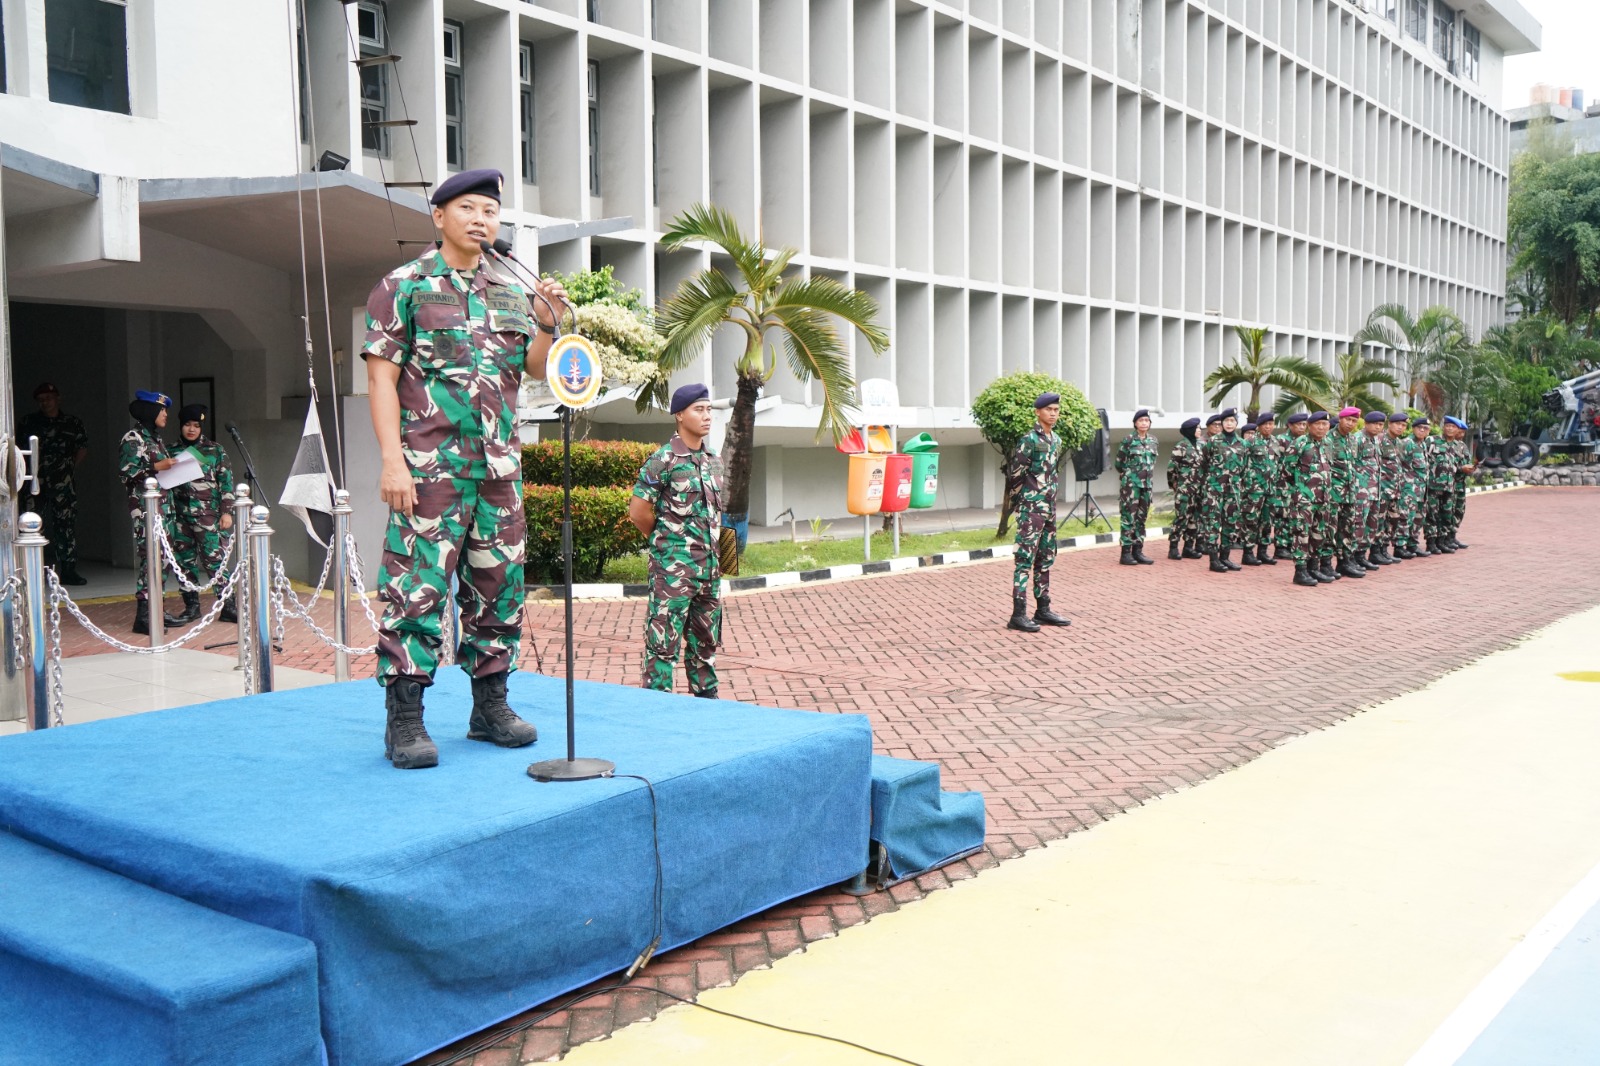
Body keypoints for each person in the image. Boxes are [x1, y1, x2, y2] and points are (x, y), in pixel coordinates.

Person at [362, 168, 567, 769]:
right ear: (440, 216)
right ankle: (405, 718)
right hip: (430, 472)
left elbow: (531, 368)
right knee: (416, 591)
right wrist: (392, 463)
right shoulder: (403, 285)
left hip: (499, 474)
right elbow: (381, 378)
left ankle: (490, 707)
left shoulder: (507, 291)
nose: (482, 220)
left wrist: (548, 320)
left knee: (498, 590)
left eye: (491, 212)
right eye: (469, 209)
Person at [629, 384, 725, 696]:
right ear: (679, 415)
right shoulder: (663, 460)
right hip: (673, 575)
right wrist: (666, 546)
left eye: (709, 409)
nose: (707, 415)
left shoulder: (714, 460)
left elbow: (720, 516)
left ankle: (707, 709)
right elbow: (639, 512)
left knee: (705, 650)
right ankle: (657, 717)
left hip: (709, 576)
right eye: (699, 409)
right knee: (661, 650)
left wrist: (726, 568)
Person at [117, 390, 186, 634]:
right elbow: (126, 472)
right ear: (150, 411)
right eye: (162, 410)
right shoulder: (133, 438)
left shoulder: (155, 439)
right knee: (150, 561)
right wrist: (157, 466)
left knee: (163, 561)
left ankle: (157, 608)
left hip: (163, 510)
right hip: (146, 511)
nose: (166, 414)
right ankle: (144, 617)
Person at [1005, 392, 1070, 631]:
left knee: (1045, 558)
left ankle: (1043, 609)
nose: (1053, 413)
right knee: (1024, 559)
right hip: (1031, 508)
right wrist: (1023, 503)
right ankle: (1018, 614)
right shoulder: (1029, 440)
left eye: (1056, 410)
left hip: (1049, 508)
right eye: (1049, 409)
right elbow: (1016, 475)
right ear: (1038, 412)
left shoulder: (1057, 440)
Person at [169, 405, 237, 624]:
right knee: (183, 562)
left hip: (207, 516)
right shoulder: (170, 452)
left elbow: (226, 485)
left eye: (196, 426)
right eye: (188, 425)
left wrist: (226, 513)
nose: (191, 429)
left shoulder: (215, 450)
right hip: (180, 517)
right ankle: (191, 607)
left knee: (214, 560)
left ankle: (228, 605)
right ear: (181, 426)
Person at [19, 382, 90, 585]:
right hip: (35, 483)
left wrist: (66, 470)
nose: (45, 403)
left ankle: (68, 570)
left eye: (48, 398)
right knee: (31, 526)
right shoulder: (28, 422)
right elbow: (18, 451)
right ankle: (32, 571)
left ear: (58, 398)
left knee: (65, 527)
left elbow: (82, 448)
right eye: (41, 400)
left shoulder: (72, 422)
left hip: (63, 484)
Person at [1288, 411, 1335, 586]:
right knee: (1302, 533)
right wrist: (1299, 490)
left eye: (1325, 424)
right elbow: (1286, 469)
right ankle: (1300, 571)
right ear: (1309, 425)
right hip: (1304, 498)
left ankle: (1313, 568)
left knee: (1319, 533)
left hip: (1323, 498)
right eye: (1318, 424)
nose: (1322, 427)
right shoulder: (1300, 443)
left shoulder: (1328, 443)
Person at [1199, 408, 1245, 573]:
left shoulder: (1243, 444)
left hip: (1233, 490)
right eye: (1226, 421)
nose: (1229, 424)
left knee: (1230, 523)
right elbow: (1203, 463)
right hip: (1215, 489)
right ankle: (1213, 559)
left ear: (1236, 423)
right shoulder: (1213, 442)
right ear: (1222, 423)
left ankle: (1225, 557)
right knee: (1212, 522)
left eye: (1232, 421)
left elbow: (1244, 467)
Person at [1114, 408, 1157, 565]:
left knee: (1141, 518)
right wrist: (1128, 476)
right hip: (1131, 486)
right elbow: (1119, 462)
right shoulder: (1128, 440)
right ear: (1135, 423)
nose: (1144, 423)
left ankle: (1137, 551)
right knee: (1128, 518)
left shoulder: (1153, 441)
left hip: (1147, 485)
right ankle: (1125, 553)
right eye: (1141, 420)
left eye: (1146, 420)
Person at [1328, 407, 1367, 578]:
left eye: (1354, 421)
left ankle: (1345, 562)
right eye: (1348, 420)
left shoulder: (1353, 440)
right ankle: (1326, 564)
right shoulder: (1328, 439)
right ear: (1340, 419)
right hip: (1333, 492)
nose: (1351, 424)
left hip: (1350, 492)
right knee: (1330, 530)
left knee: (1347, 528)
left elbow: (1354, 464)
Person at [1165, 417, 1204, 560]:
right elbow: (1171, 468)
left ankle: (1189, 547)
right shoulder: (1180, 446)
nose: (1199, 430)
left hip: (1198, 489)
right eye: (1197, 428)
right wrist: (1174, 485)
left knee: (1194, 518)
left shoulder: (1201, 446)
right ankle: (1173, 548)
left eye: (1200, 428)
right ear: (1190, 430)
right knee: (1182, 517)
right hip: (1184, 488)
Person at [1273, 412, 1309, 563]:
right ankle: (1281, 547)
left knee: (1294, 515)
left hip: (1298, 485)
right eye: (1298, 425)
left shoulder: (1305, 440)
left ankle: (1289, 545)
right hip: (1283, 484)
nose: (1301, 427)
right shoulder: (1282, 440)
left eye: (1303, 425)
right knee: (1282, 516)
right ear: (1290, 425)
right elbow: (1277, 462)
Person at [1358, 411, 1392, 569]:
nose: (1378, 427)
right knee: (1358, 525)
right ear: (1366, 423)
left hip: (1375, 490)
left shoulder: (1377, 440)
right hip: (1361, 491)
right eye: (1375, 424)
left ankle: (1363, 555)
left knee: (1372, 525)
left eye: (1380, 424)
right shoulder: (1358, 439)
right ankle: (1352, 557)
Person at [1397, 417, 1433, 558]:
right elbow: (1398, 463)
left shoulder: (1423, 444)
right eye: (1420, 427)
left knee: (1418, 518)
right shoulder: (1407, 443)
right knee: (1405, 517)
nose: (1422, 430)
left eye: (1426, 428)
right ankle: (1400, 546)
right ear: (1413, 428)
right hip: (1408, 488)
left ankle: (1412, 544)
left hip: (1421, 489)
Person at [1378, 412, 1410, 559]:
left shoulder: (1399, 443)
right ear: (1389, 424)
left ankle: (1384, 550)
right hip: (1382, 489)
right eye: (1398, 424)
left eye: (1403, 425)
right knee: (1378, 522)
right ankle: (1375, 552)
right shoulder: (1379, 440)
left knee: (1392, 521)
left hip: (1395, 490)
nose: (1400, 427)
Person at [1443, 416, 1476, 550]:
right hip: (1449, 483)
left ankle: (1452, 536)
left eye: (1463, 433)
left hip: (1460, 484)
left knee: (1459, 511)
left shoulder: (1462, 446)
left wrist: (1471, 468)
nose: (1461, 435)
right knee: (1446, 512)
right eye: (1459, 432)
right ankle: (1444, 538)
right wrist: (1461, 468)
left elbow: (1467, 462)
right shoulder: (1444, 444)